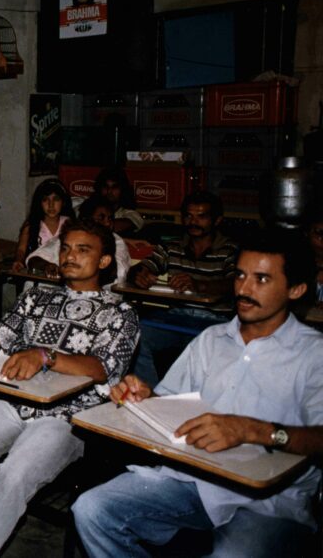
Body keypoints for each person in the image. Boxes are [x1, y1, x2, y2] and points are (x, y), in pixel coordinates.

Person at [73, 227, 323, 558]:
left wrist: (254, 431)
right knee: (91, 509)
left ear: (296, 289)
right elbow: (171, 405)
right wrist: (145, 398)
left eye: (261, 279)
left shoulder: (314, 354)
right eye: (240, 275)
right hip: (194, 479)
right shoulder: (211, 340)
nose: (243, 289)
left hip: (270, 501)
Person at [0, 219, 140, 558]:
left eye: (83, 250)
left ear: (105, 261)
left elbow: (103, 368)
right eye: (66, 248)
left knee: (12, 476)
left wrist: (46, 355)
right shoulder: (37, 297)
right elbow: (1, 333)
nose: (70, 256)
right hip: (18, 400)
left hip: (70, 417)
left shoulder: (120, 313)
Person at [128, 190, 237, 384]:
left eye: (201, 216)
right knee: (134, 334)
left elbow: (235, 284)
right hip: (175, 317)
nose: (193, 222)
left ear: (217, 220)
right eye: (188, 216)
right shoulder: (172, 247)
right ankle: (149, 394)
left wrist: (199, 285)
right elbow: (142, 267)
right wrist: (138, 275)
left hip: (215, 322)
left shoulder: (229, 250)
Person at [26, 195, 131, 289]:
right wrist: (46, 266)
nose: (108, 223)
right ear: (86, 219)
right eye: (101, 218)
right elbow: (34, 259)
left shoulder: (117, 242)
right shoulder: (71, 235)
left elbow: (117, 274)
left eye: (110, 218)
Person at [11, 178, 75, 272]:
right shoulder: (32, 225)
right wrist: (18, 261)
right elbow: (21, 250)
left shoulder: (69, 224)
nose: (51, 205)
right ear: (39, 203)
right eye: (45, 200)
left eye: (56, 199)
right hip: (38, 273)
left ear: (63, 202)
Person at [93, 166, 144, 234]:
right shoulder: (89, 207)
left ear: (123, 190)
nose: (109, 191)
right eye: (105, 187)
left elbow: (124, 224)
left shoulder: (131, 214)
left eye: (114, 187)